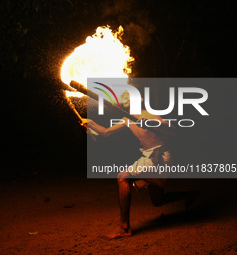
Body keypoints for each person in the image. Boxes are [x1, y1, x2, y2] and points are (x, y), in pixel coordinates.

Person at [82, 90, 198, 239]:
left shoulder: (150, 115)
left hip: (160, 158)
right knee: (158, 201)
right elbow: (105, 133)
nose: (124, 96)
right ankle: (191, 194)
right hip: (149, 156)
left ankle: (124, 228)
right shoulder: (127, 118)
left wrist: (151, 124)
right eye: (123, 94)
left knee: (123, 177)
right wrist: (90, 124)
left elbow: (174, 131)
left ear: (141, 98)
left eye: (128, 94)